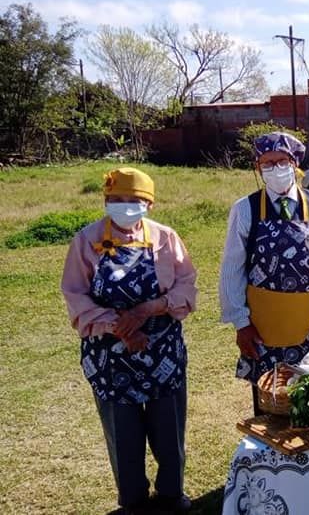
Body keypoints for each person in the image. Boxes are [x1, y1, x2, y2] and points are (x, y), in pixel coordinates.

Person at [61, 168, 197, 513]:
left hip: (161, 354)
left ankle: (171, 493)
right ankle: (132, 499)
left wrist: (155, 306)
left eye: (134, 200)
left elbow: (186, 284)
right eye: (116, 200)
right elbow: (75, 294)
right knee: (123, 434)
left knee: (169, 430)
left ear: (148, 204)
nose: (125, 206)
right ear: (106, 202)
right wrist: (120, 327)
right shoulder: (85, 241)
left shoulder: (166, 238)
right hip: (110, 356)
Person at [219, 132, 309, 412]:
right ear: (258, 169)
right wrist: (241, 323)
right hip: (262, 331)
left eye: (281, 161)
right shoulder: (245, 210)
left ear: (294, 164)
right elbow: (232, 268)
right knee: (270, 407)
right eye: (267, 164)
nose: (275, 169)